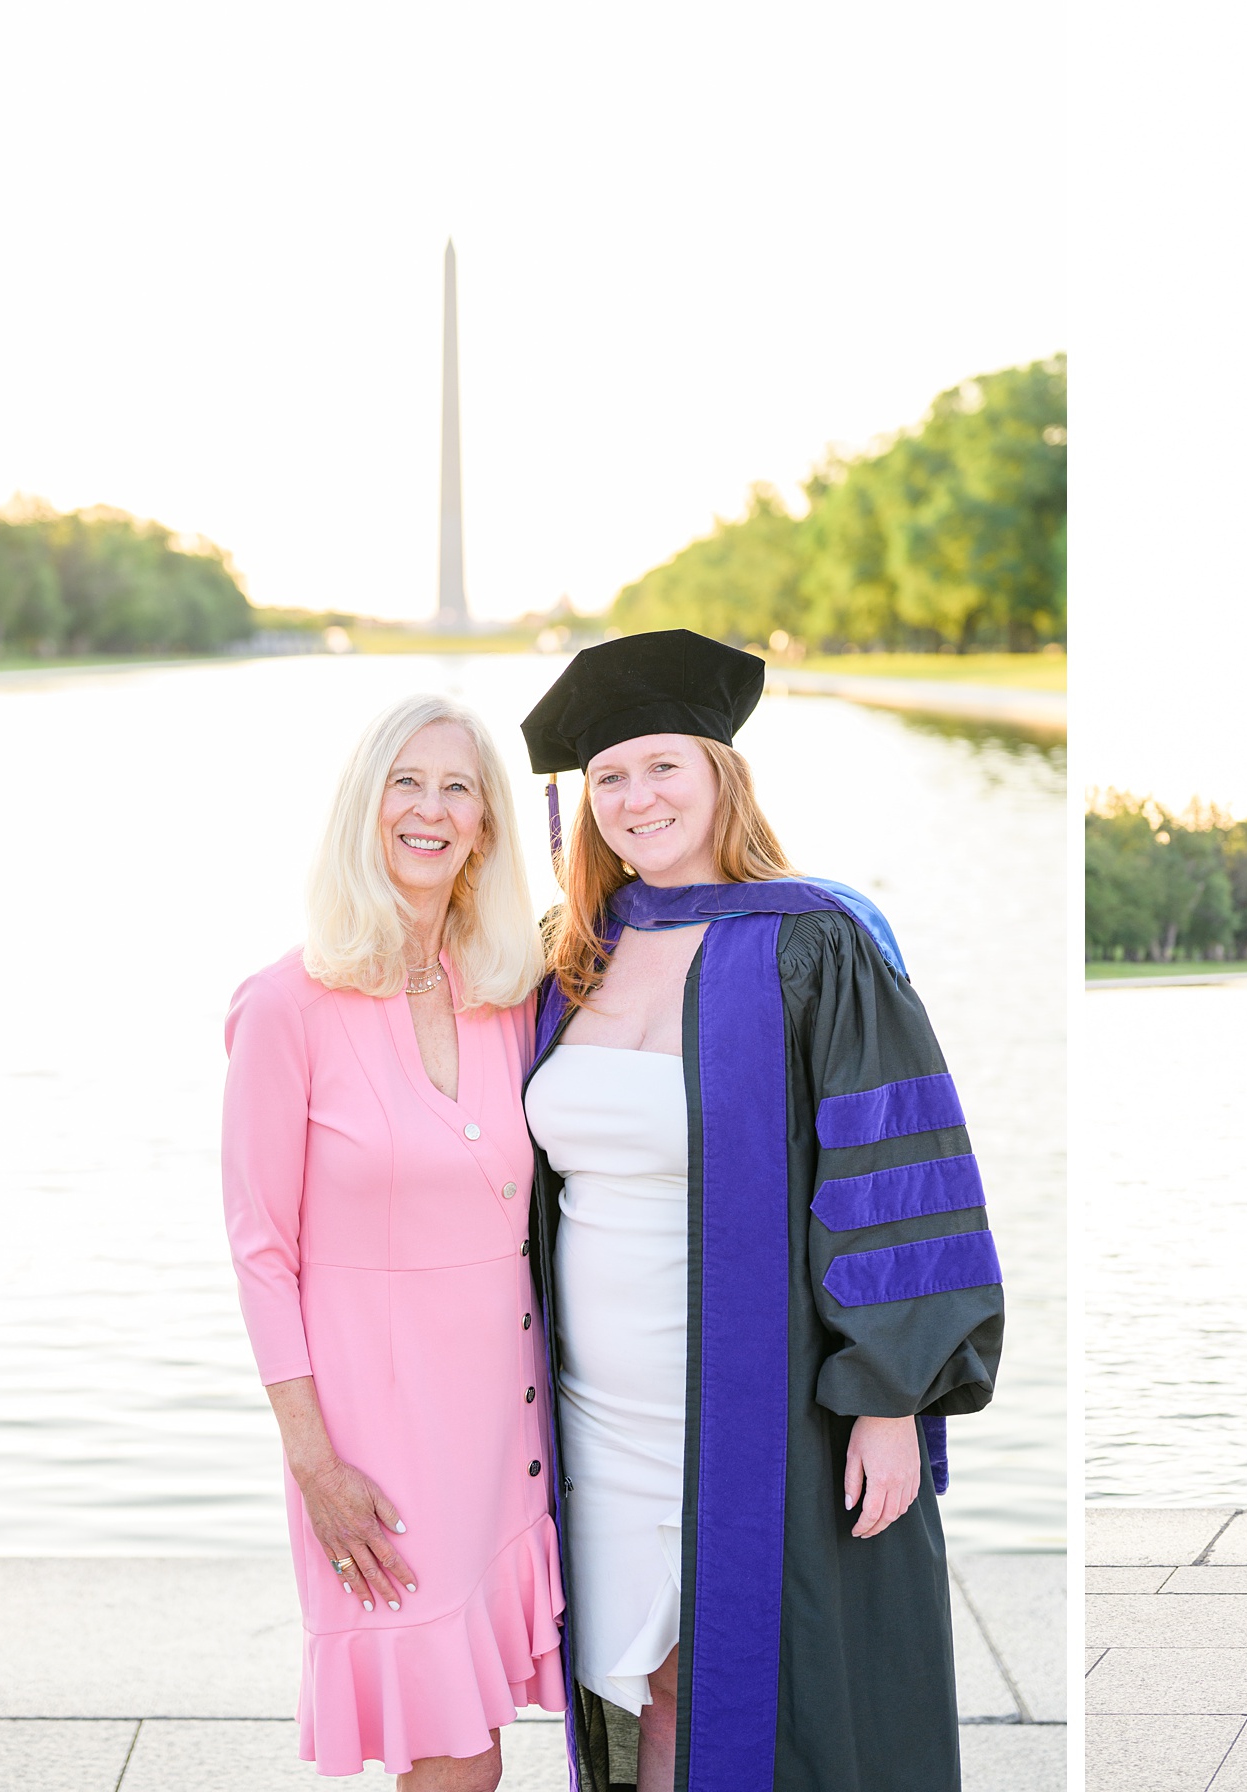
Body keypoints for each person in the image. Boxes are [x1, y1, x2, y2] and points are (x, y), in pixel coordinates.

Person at [518, 629, 1005, 1792]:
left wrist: (890, 1397)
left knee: (753, 1683)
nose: (638, 798)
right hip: (594, 1412)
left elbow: (895, 1175)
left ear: (720, 772)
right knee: (638, 1682)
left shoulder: (815, 943)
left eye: (663, 766)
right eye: (611, 777)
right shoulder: (573, 950)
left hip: (757, 1400)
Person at [223, 697, 561, 1786]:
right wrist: (313, 1463)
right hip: (374, 1445)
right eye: (404, 783)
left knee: (479, 1756)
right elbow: (261, 1253)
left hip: (504, 1429)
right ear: (363, 809)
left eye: (457, 786)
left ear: (486, 826)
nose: (430, 808)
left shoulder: (505, 990)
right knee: (451, 1762)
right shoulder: (286, 1005)